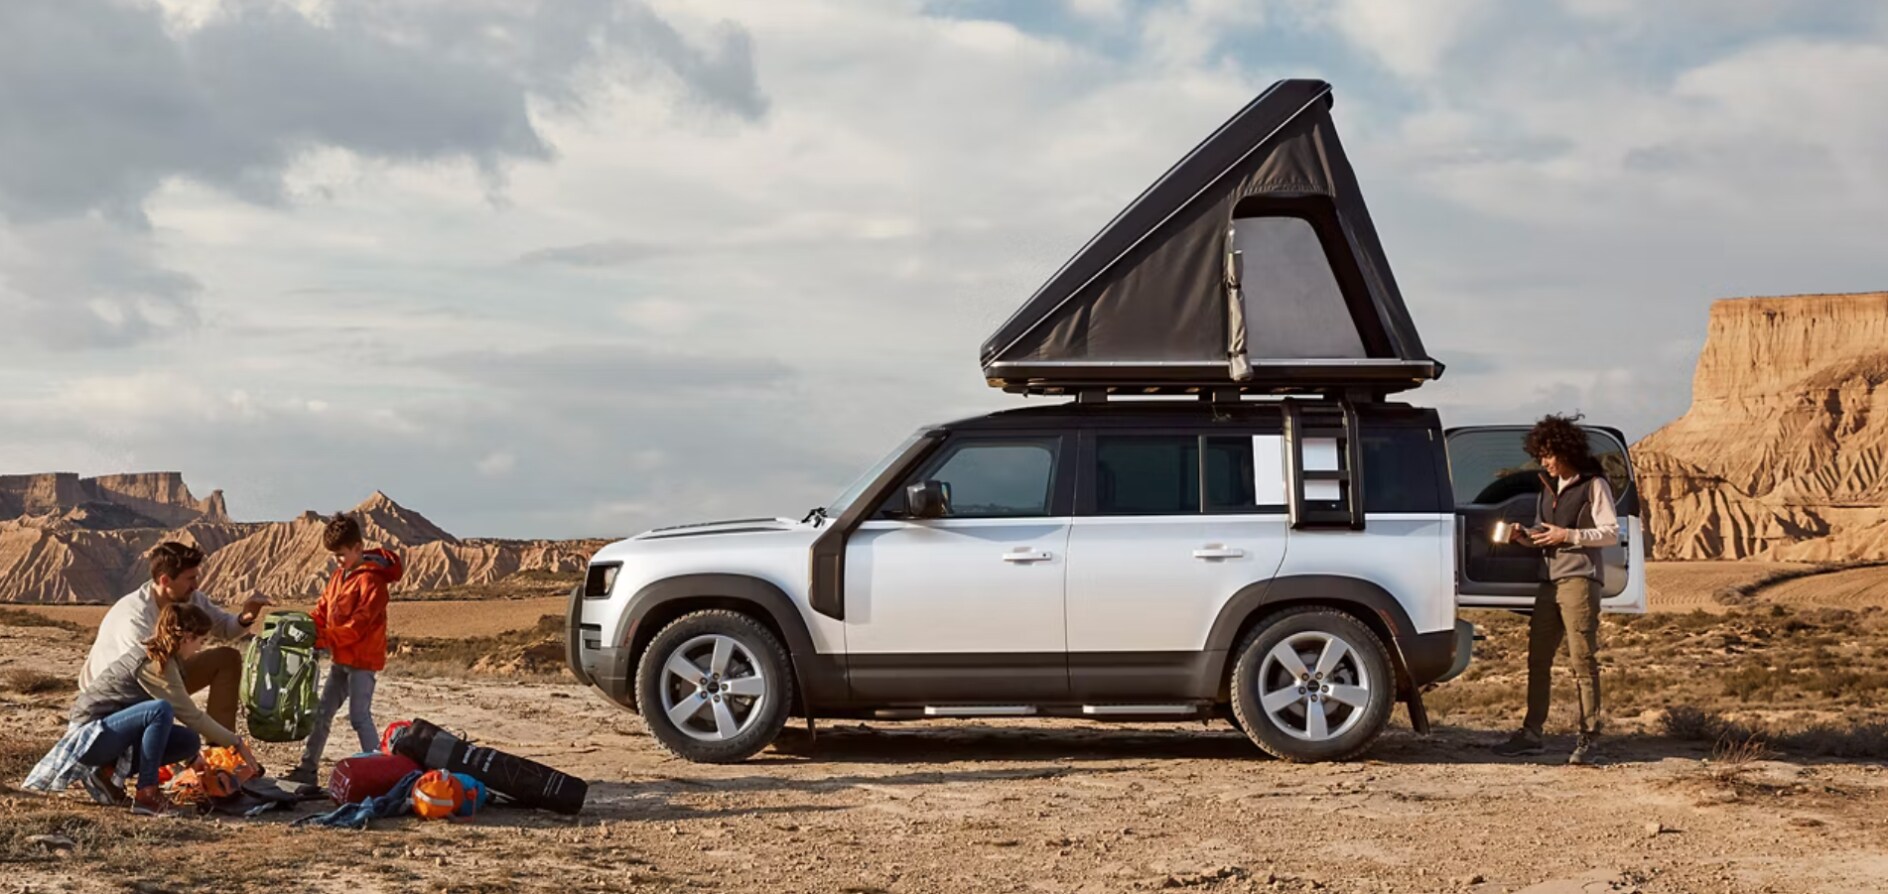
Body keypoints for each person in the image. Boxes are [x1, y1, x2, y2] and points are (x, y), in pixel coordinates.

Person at [24, 603, 261, 816]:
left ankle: (105, 773)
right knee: (160, 710)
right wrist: (236, 743)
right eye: (201, 641)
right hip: (91, 736)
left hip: (113, 736)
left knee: (188, 742)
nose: (200, 648)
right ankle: (146, 795)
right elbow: (189, 714)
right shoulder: (153, 662)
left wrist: (194, 758)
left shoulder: (167, 659)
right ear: (187, 637)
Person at [1492, 413, 1620, 765]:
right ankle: (1532, 733)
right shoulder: (1545, 491)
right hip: (1549, 581)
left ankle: (1590, 736)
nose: (1544, 461)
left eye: (1548, 454)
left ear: (1564, 451)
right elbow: (1545, 536)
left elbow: (1611, 532)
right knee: (1538, 659)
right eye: (1541, 455)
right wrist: (1524, 537)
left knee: (1583, 659)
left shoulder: (1594, 485)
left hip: (1579, 579)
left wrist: (1571, 535)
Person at [80, 542, 271, 732]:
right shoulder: (135, 615)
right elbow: (148, 674)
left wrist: (247, 617)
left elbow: (225, 629)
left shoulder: (190, 598)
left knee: (226, 658)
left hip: (162, 674)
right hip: (117, 700)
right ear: (165, 581)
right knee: (174, 736)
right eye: (190, 579)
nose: (196, 586)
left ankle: (220, 753)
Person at [285, 512, 401, 787]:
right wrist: (306, 628)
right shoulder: (339, 577)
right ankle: (307, 769)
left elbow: (357, 627)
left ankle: (379, 772)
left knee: (359, 716)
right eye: (334, 556)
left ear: (358, 548)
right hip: (341, 659)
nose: (337, 560)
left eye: (341, 554)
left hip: (362, 661)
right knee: (322, 713)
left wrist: (323, 639)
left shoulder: (373, 582)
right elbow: (323, 609)